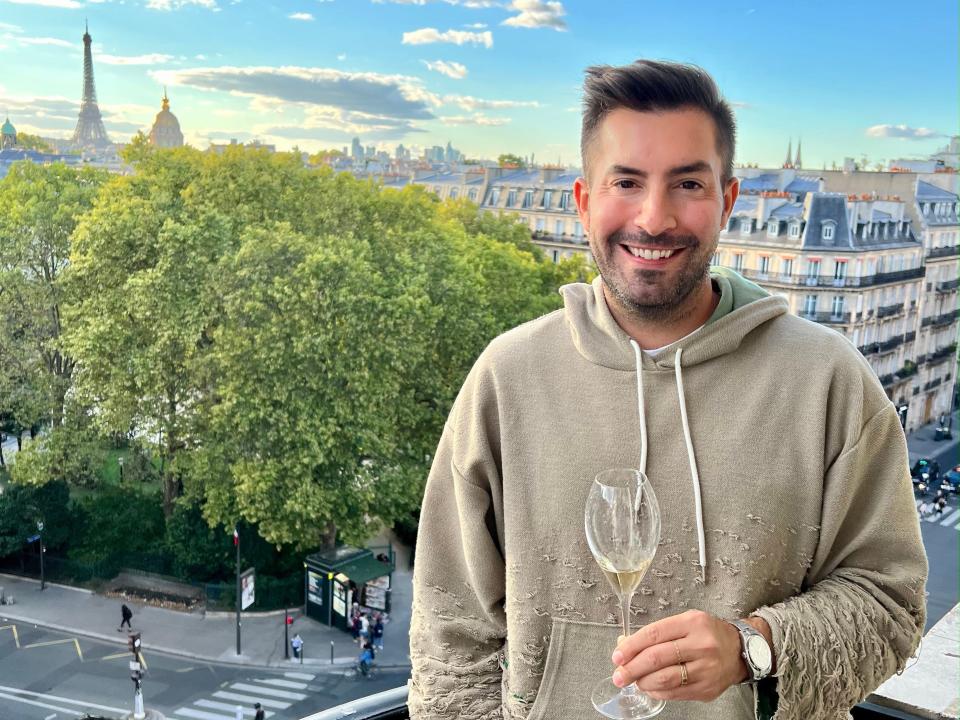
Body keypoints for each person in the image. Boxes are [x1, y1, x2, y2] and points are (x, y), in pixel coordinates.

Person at [408, 59, 928, 719]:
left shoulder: (829, 380)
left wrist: (754, 648)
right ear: (584, 201)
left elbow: (890, 605)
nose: (654, 219)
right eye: (627, 181)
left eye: (687, 183)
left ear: (728, 201)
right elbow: (449, 629)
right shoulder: (507, 376)